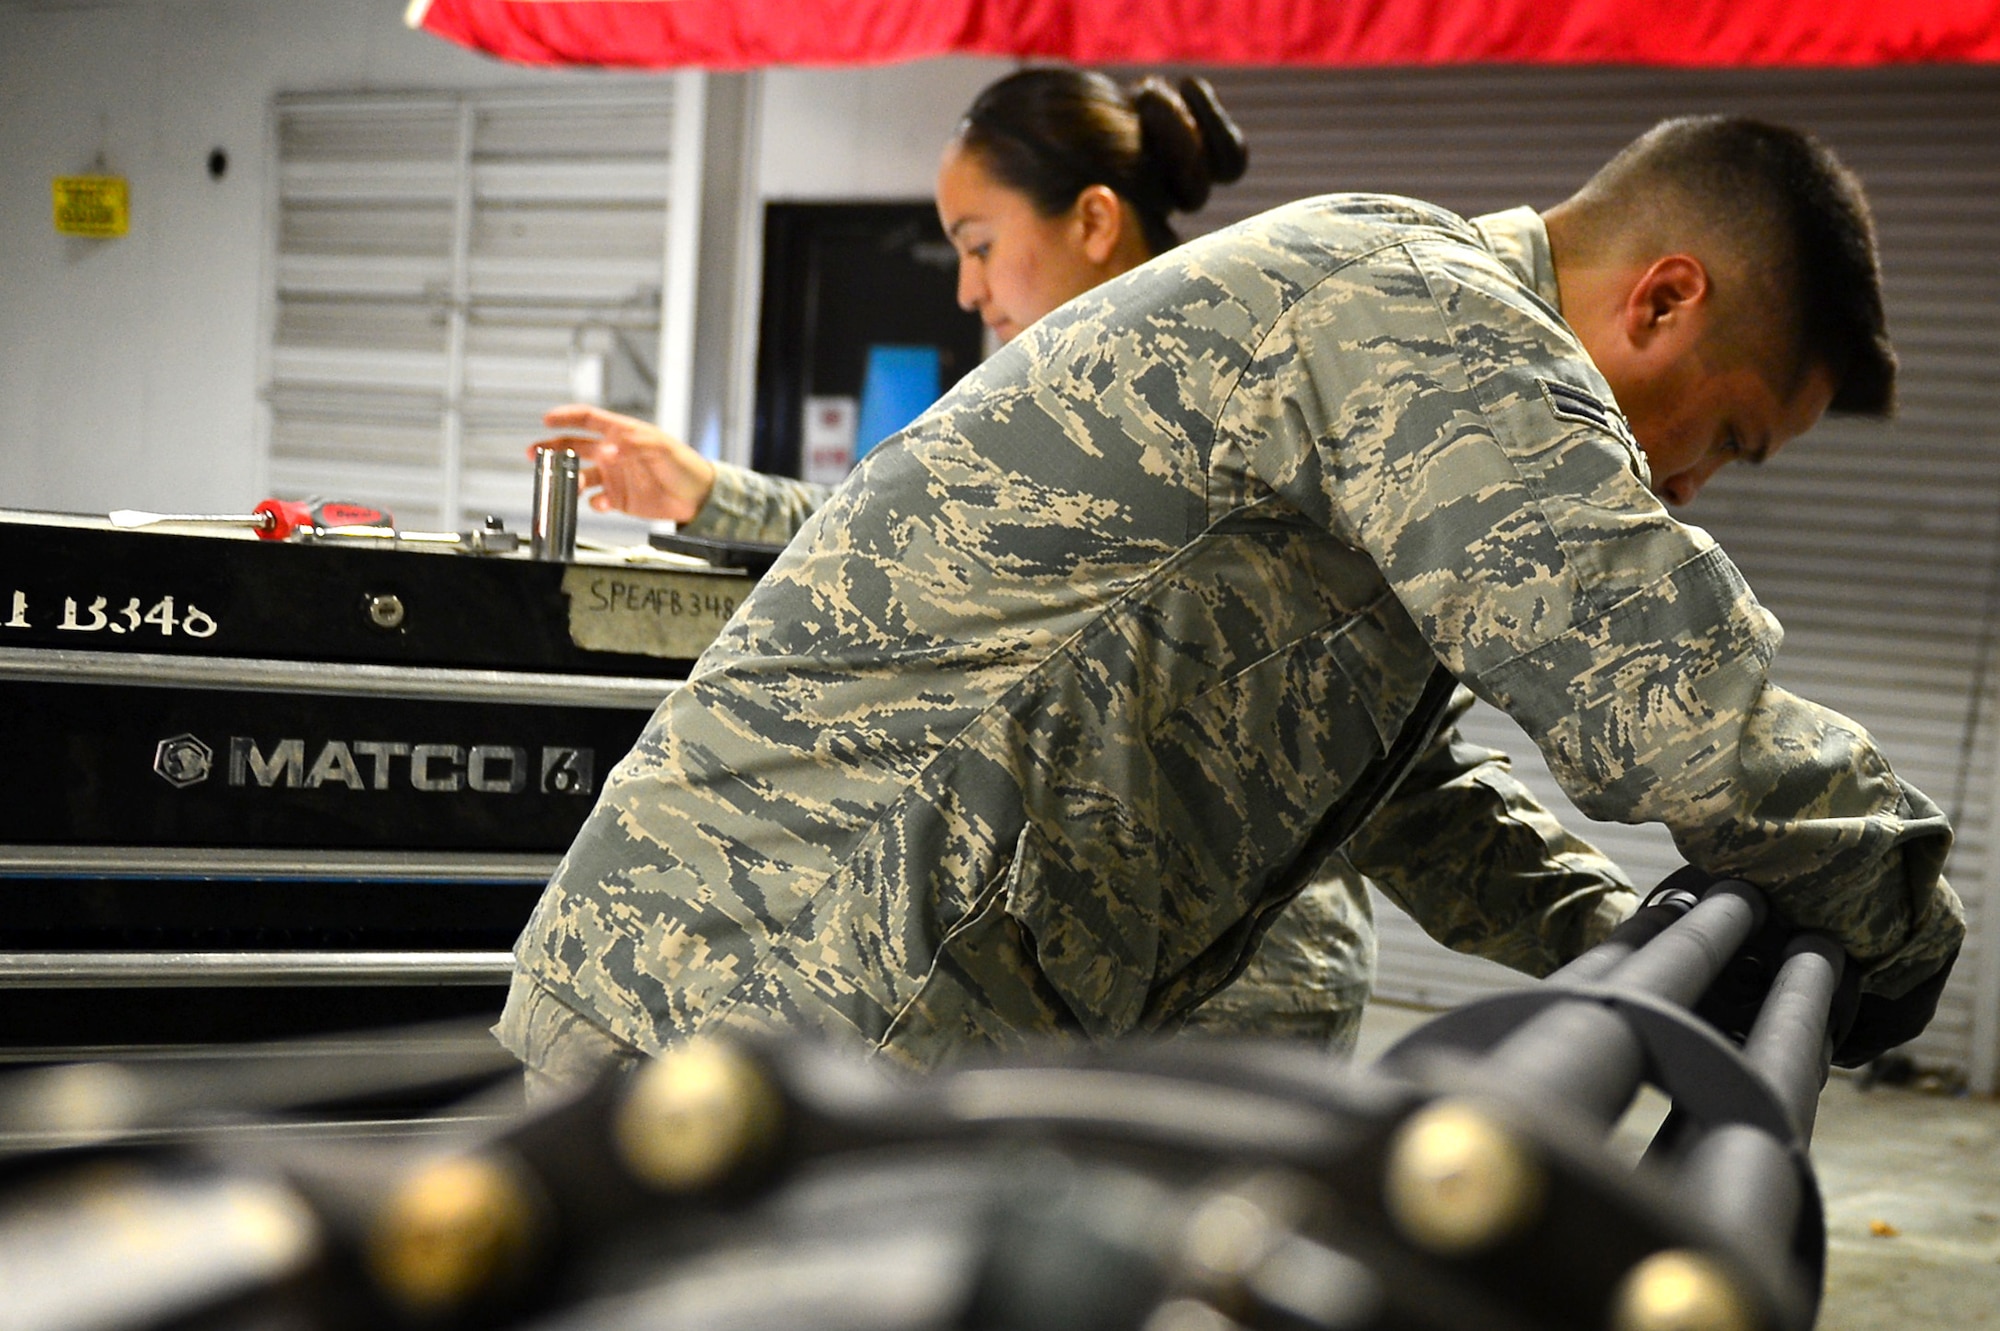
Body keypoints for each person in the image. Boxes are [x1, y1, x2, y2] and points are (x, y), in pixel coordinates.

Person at [502, 112, 1963, 1090]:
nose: (1697, 485)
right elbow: (1660, 685)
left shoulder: (1409, 352)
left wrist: (1615, 936)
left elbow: (1404, 793)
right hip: (748, 982)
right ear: (1663, 301)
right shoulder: (1432, 318)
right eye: (1732, 433)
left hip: (817, 991)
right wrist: (1895, 925)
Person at [536, 67, 1600, 1060]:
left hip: (1210, 984)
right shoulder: (1139, 399)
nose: (963, 287)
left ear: (1092, 221)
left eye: (979, 240)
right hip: (1154, 964)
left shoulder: (1188, 407)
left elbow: (1413, 772)